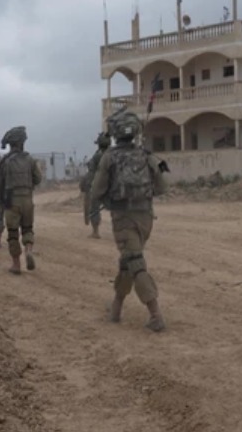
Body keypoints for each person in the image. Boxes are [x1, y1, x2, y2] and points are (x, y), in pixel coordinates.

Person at [90, 110, 168, 332]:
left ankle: (155, 314)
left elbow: (96, 191)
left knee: (135, 263)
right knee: (128, 262)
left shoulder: (109, 157)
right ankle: (116, 308)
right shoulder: (147, 155)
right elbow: (162, 187)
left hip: (123, 218)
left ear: (115, 133)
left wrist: (109, 199)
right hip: (146, 218)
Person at [0, 126, 42, 274]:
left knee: (13, 233)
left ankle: (16, 265)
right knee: (28, 229)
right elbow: (38, 179)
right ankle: (28, 250)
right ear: (22, 142)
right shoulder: (30, 160)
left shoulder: (5, 162)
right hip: (27, 200)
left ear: (10, 144)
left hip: (11, 202)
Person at [81, 132, 110, 238]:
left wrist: (85, 185)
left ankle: (95, 231)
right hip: (114, 186)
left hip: (99, 185)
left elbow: (91, 173)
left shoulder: (97, 156)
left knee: (94, 207)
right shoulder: (114, 154)